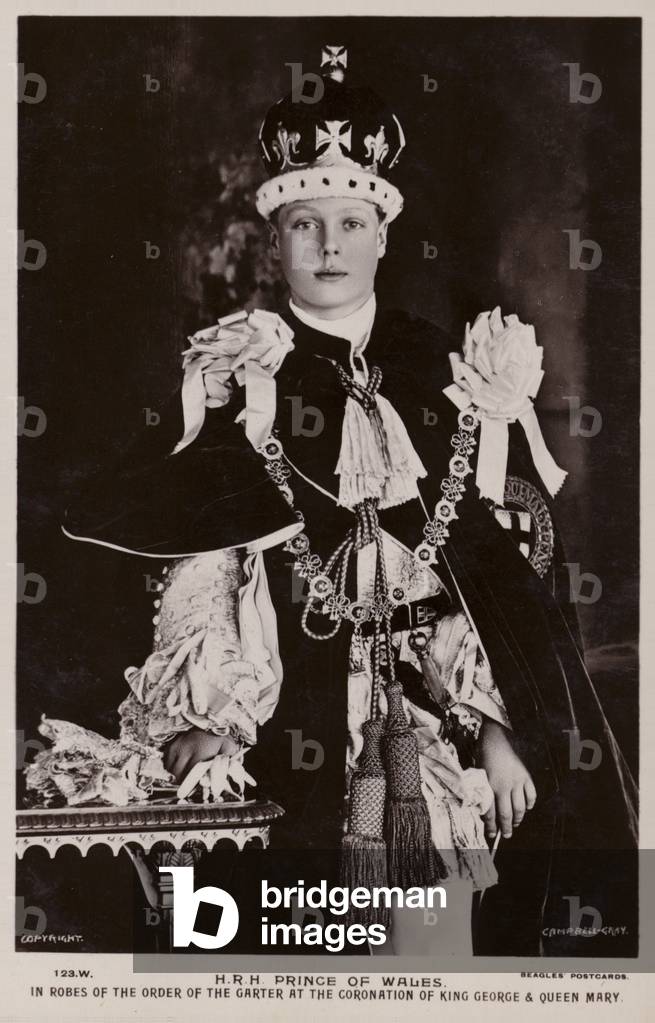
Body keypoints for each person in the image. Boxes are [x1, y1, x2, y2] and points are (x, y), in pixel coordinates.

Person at [60, 46, 637, 957]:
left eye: (349, 223)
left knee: (425, 951)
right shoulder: (244, 368)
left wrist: (489, 724)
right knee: (281, 948)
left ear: (382, 235)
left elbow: (483, 571)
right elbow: (208, 559)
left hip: (429, 722)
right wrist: (214, 720)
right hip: (288, 695)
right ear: (273, 238)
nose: (328, 247)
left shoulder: (434, 368)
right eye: (303, 224)